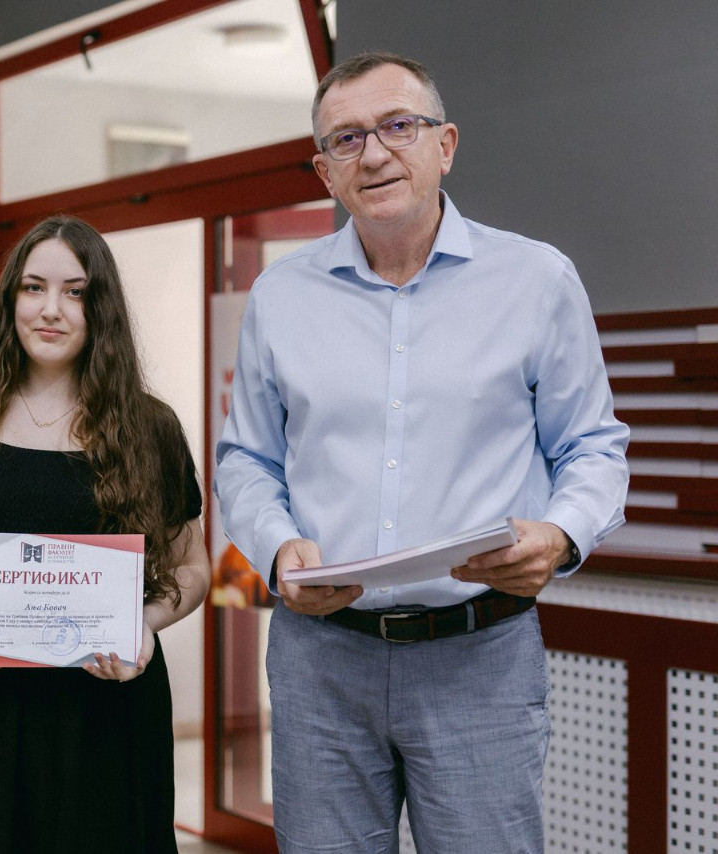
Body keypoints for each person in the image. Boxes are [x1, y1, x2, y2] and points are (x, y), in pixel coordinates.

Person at [214, 52, 630, 853]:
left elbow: (593, 447)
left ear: (445, 145)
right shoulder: (281, 296)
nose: (373, 154)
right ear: (325, 172)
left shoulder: (537, 280)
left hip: (481, 656)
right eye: (346, 139)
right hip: (320, 664)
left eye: (397, 126)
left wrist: (560, 535)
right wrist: (275, 548)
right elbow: (246, 461)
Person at [0, 215, 210, 853]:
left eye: (75, 292)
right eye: (33, 287)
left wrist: (144, 625)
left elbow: (192, 566)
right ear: (10, 299)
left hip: (107, 705)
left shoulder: (149, 427)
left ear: (102, 309)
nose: (51, 309)